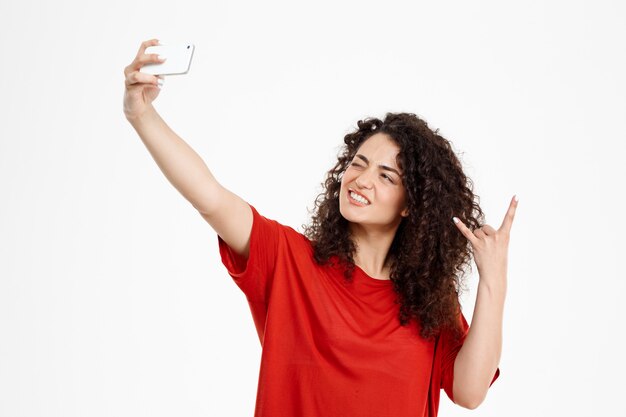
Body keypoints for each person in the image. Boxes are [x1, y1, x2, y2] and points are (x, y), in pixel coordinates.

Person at [123, 38, 518, 417]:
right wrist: (142, 115)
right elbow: (209, 196)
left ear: (410, 207)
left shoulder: (429, 299)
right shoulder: (289, 260)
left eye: (386, 176)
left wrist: (493, 281)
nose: (361, 179)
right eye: (359, 163)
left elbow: (469, 392)